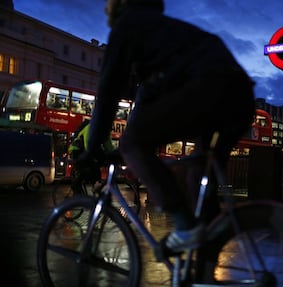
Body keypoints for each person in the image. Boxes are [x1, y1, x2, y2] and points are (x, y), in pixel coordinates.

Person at [78, 0, 255, 253]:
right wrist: (124, 153)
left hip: (211, 87)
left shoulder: (128, 26)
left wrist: (93, 148)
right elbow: (146, 104)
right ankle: (205, 263)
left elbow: (107, 92)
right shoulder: (165, 35)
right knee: (198, 175)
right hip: (240, 96)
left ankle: (185, 227)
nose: (106, 7)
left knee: (131, 141)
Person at [69, 119, 114, 195]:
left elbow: (110, 148)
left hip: (89, 149)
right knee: (89, 166)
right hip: (77, 151)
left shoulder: (106, 132)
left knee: (98, 163)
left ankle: (96, 184)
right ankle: (76, 184)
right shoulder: (91, 128)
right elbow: (88, 146)